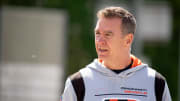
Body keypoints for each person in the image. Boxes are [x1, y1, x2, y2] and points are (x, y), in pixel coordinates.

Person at [61, 6, 172, 101]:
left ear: (128, 40)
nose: (100, 41)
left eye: (108, 34)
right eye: (98, 33)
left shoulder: (156, 83)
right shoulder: (78, 83)